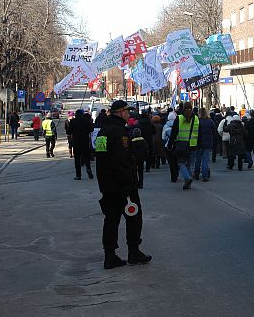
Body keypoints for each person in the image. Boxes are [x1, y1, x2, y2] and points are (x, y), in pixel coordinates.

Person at [95, 100, 152, 268]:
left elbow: (101, 157)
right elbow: (121, 162)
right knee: (134, 217)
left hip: (106, 184)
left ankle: (110, 255)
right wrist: (129, 184)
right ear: (120, 113)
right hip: (122, 185)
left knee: (111, 220)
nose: (129, 114)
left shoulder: (103, 132)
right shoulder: (119, 132)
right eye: (127, 111)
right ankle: (134, 252)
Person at [167, 102, 201, 190]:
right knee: (190, 164)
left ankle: (187, 178)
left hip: (181, 144)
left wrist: (170, 145)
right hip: (193, 145)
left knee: (181, 163)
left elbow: (173, 133)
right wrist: (199, 144)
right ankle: (188, 183)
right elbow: (199, 133)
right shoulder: (196, 119)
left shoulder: (179, 118)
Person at [66, 109, 93, 180]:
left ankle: (78, 175)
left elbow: (68, 132)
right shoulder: (86, 121)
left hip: (76, 143)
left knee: (77, 159)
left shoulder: (72, 121)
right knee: (86, 157)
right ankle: (88, 168)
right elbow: (91, 129)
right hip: (85, 142)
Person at [193, 108, 216, 182]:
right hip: (207, 143)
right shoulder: (210, 121)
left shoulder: (197, 121)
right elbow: (214, 131)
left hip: (198, 143)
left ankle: (196, 173)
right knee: (205, 160)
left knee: (198, 159)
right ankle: (205, 175)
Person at [162, 112, 179, 182]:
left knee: (171, 162)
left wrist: (166, 142)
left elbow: (163, 137)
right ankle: (177, 172)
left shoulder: (165, 126)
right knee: (177, 160)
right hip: (177, 144)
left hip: (168, 146)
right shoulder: (178, 125)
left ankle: (173, 176)